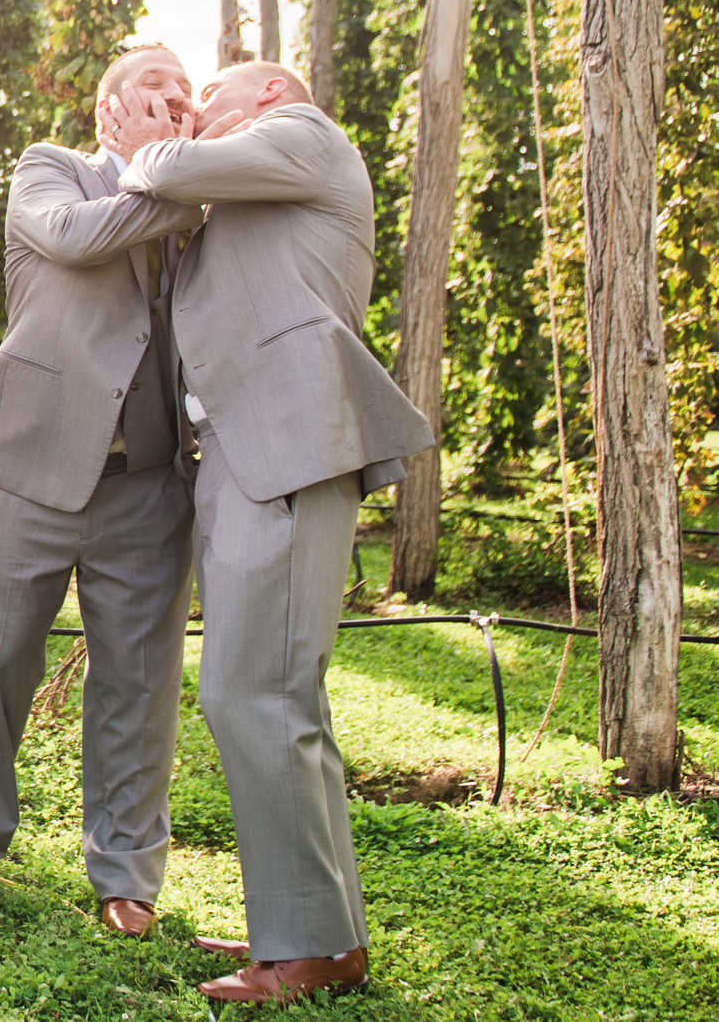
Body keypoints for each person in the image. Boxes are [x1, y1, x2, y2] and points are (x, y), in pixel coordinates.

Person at [115, 60, 434, 1006]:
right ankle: (317, 934)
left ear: (265, 95)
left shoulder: (304, 135)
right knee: (273, 695)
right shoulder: (249, 185)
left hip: (288, 446)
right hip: (244, 456)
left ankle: (299, 944)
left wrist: (148, 145)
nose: (191, 106)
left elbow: (163, 173)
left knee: (255, 692)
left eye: (208, 92)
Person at [0, 45, 205, 937]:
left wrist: (188, 184)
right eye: (155, 89)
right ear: (109, 111)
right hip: (31, 467)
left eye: (186, 93)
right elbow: (78, 240)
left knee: (138, 683)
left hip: (149, 484)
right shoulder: (52, 174)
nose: (175, 101)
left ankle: (126, 871)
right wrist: (166, 182)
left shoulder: (206, 196)